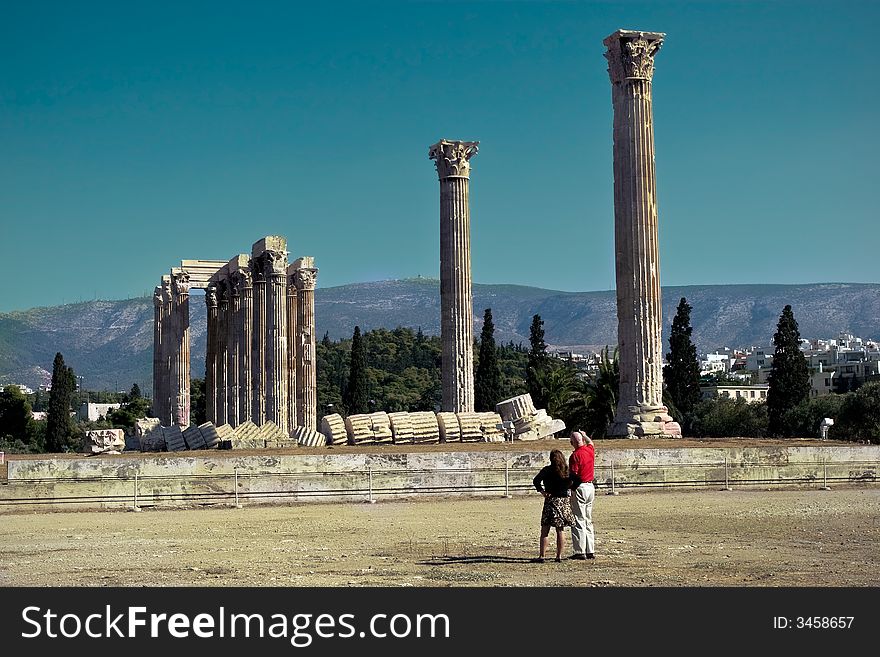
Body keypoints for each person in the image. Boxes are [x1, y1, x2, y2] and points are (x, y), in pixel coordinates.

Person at [531, 449, 575, 562]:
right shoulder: (566, 471)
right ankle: (558, 556)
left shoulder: (547, 470)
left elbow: (536, 480)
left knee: (545, 530)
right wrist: (570, 488)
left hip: (550, 500)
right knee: (560, 530)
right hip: (563, 502)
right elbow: (577, 479)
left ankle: (542, 555)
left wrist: (542, 491)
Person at [568, 430, 595, 559]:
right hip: (590, 486)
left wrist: (570, 488)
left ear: (571, 442)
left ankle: (579, 551)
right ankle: (590, 549)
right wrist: (585, 435)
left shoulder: (575, 456)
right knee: (588, 519)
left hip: (580, 487)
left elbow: (574, 475)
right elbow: (591, 443)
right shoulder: (589, 450)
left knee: (579, 518)